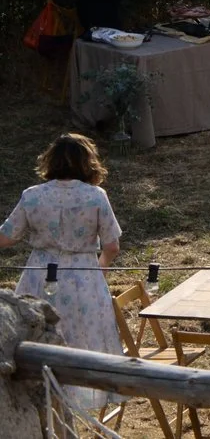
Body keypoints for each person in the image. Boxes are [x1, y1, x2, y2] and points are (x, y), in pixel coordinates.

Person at [1, 134, 125, 412]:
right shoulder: (95, 196)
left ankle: (43, 401)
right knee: (83, 338)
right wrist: (100, 268)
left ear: (50, 161)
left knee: (38, 337)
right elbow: (112, 245)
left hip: (39, 275)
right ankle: (82, 401)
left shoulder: (32, 196)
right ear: (87, 163)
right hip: (84, 277)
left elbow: (6, 237)